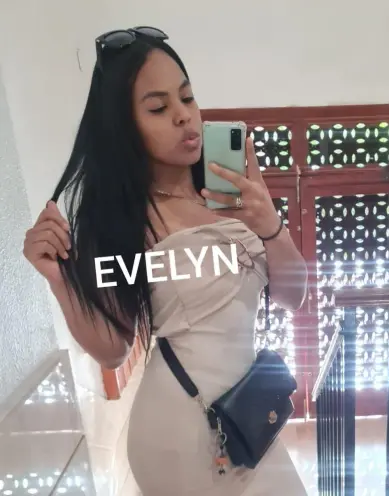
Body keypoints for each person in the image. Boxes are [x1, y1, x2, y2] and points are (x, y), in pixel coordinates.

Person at [22, 27, 308, 495]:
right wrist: (58, 279)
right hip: (181, 428)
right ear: (125, 127)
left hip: (244, 416)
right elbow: (113, 349)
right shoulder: (121, 219)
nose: (183, 115)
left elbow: (294, 297)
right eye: (158, 108)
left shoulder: (230, 191)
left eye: (187, 97)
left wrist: (271, 225)